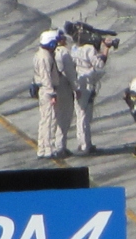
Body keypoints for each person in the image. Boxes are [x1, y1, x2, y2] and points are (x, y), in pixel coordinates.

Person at [64, 23, 112, 154]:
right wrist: (106, 49)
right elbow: (99, 63)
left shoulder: (74, 49)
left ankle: (82, 143)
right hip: (87, 85)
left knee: (80, 115)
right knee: (85, 115)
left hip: (78, 82)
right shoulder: (89, 49)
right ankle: (85, 145)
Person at [33, 29, 65, 159]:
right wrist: (52, 94)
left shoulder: (41, 54)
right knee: (49, 120)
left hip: (44, 90)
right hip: (47, 91)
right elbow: (46, 77)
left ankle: (42, 148)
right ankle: (48, 149)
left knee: (44, 120)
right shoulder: (45, 58)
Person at [53, 29, 76, 156]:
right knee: (64, 116)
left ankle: (48, 147)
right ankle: (60, 147)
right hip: (63, 86)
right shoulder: (64, 53)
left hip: (49, 89)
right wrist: (76, 88)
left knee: (52, 118)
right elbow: (70, 73)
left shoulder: (47, 53)